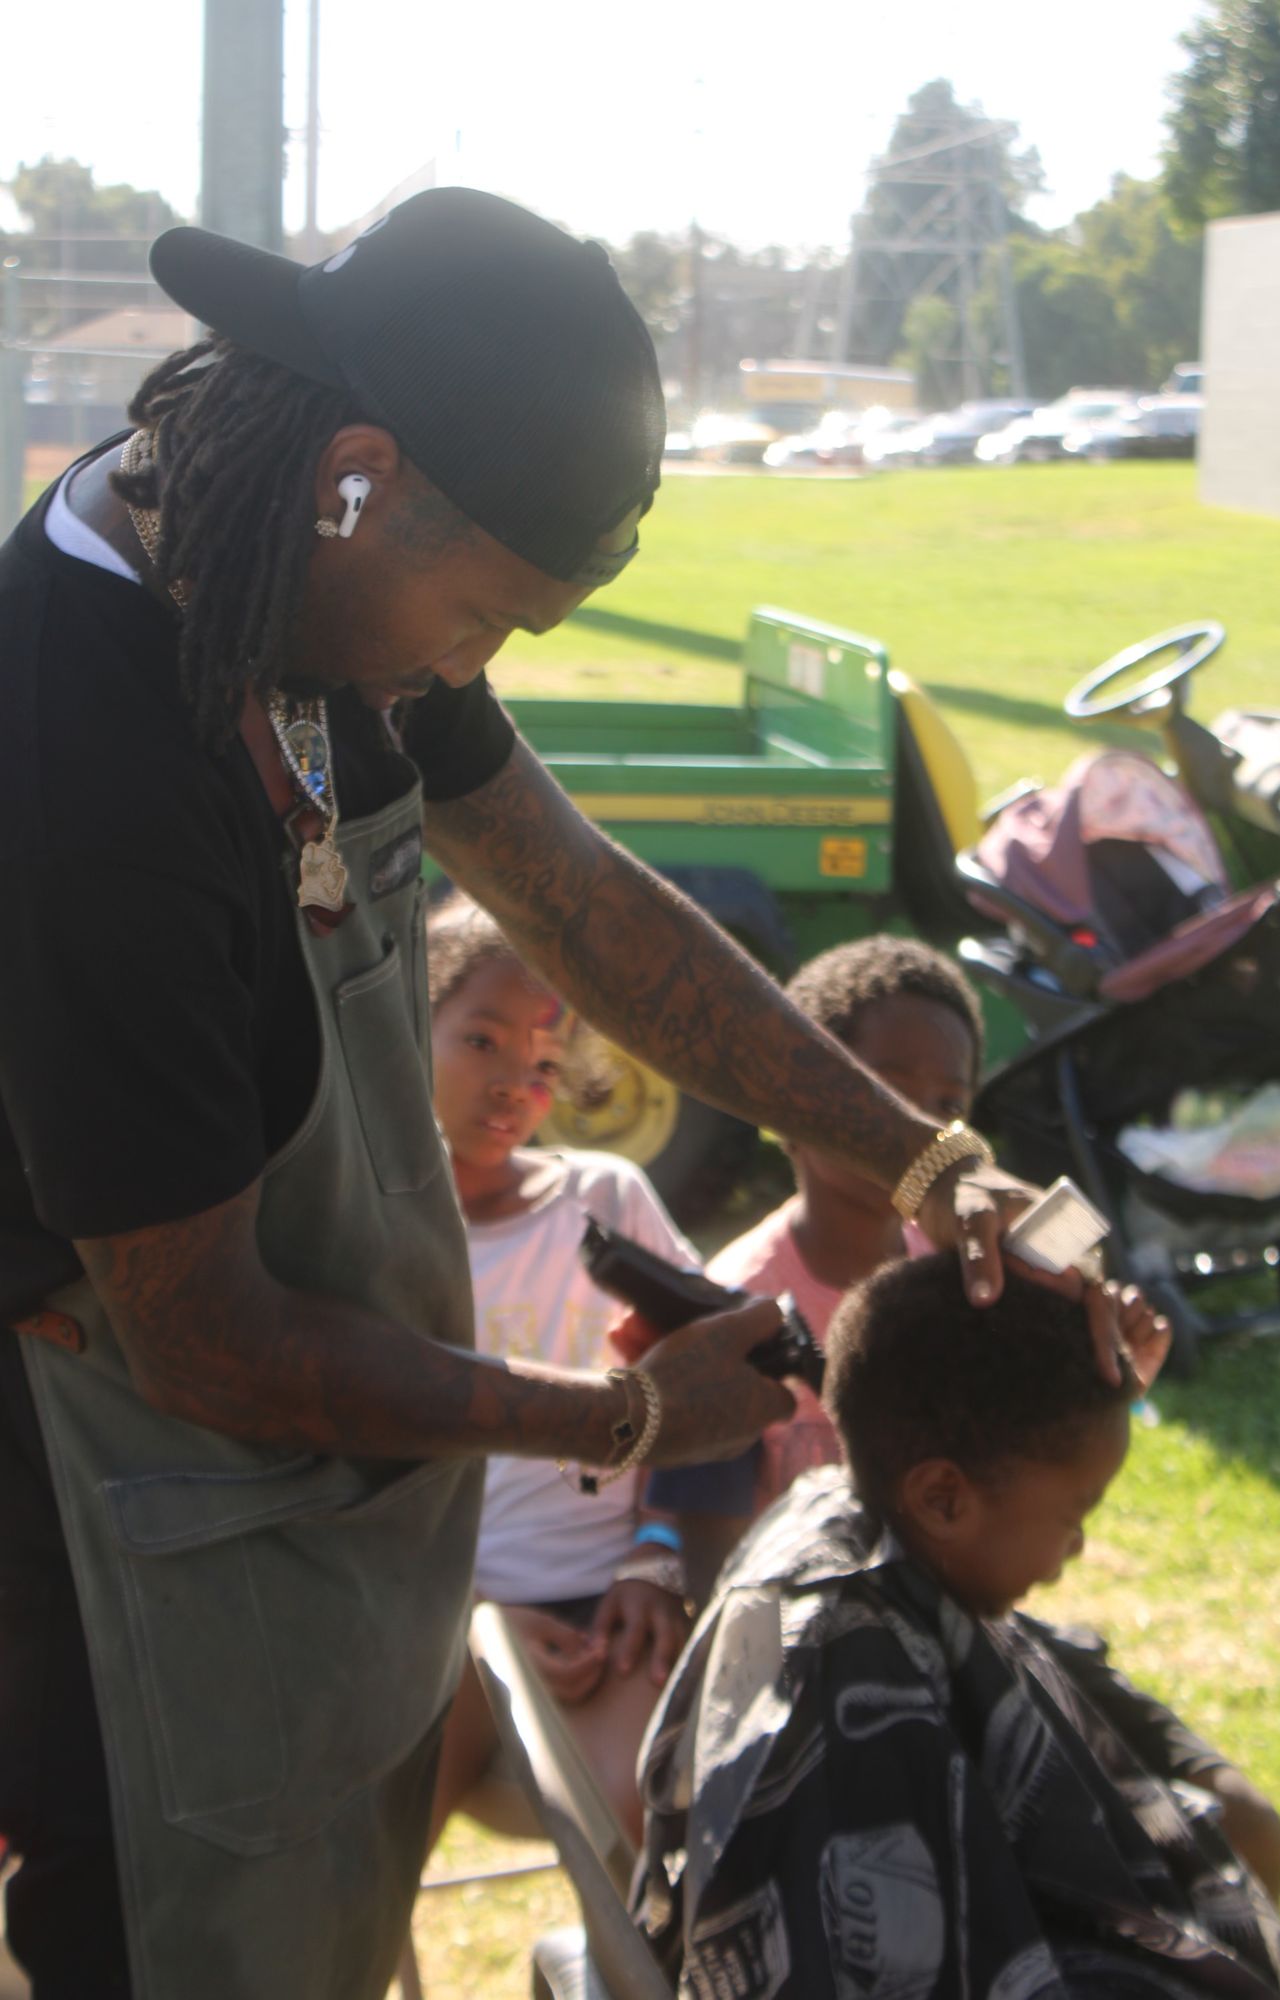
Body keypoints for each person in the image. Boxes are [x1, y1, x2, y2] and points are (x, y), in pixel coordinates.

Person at [0, 186, 1151, 1998]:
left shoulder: (311, 585)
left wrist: (933, 1168)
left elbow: (578, 898)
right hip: (146, 1559)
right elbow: (201, 1338)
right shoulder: (84, 757)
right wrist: (616, 1425)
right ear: (357, 472)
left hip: (331, 1524)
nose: (482, 667)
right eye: (487, 616)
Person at [635, 1258, 1280, 1999]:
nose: (1076, 1549)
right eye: (1073, 1517)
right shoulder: (838, 1665)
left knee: (1237, 1820)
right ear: (943, 1501)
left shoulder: (855, 1514)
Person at [424, 896, 692, 1842]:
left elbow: (701, 1377)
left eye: (542, 1067)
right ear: (404, 1032)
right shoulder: (375, 1241)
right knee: (374, 1846)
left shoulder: (606, 1199)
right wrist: (477, 1619)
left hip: (610, 1606)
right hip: (435, 1617)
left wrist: (656, 1553)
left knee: (637, 1821)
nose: (512, 1087)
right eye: (482, 1042)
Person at [646, 935, 987, 1600]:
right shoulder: (737, 1303)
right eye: (883, 1097)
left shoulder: (961, 1278)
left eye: (947, 1106)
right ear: (791, 1104)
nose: (913, 1129)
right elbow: (712, 1558)